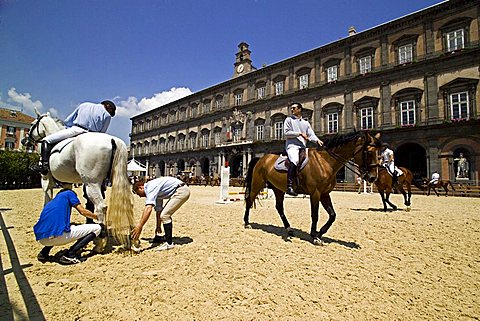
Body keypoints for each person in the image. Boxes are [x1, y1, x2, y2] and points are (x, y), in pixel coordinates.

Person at [31, 100, 117, 175]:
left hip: (77, 129)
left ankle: (44, 166)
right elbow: (102, 132)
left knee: (47, 140)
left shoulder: (84, 105)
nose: (110, 112)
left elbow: (68, 120)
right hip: (93, 135)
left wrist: (69, 127)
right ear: (108, 107)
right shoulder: (107, 115)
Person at [33, 188, 101, 265]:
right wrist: (99, 217)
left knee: (54, 227)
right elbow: (83, 212)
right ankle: (70, 255)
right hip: (57, 237)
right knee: (97, 228)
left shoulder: (51, 202)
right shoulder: (69, 193)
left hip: (42, 239)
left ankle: (44, 253)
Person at [131, 176, 190, 251]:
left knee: (165, 216)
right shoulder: (155, 190)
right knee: (164, 214)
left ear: (140, 187)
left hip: (181, 191)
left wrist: (139, 226)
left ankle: (169, 244)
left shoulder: (150, 187)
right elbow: (158, 210)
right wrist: (158, 226)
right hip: (181, 190)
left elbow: (148, 208)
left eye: (138, 193)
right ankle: (165, 239)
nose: (139, 196)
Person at [283, 102, 323, 196]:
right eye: (291, 108)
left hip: (303, 147)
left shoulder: (305, 123)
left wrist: (318, 140)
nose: (292, 109)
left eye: (294, 108)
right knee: (295, 160)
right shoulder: (288, 120)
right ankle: (289, 186)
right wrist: (299, 134)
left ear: (299, 109)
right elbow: (286, 133)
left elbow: (311, 134)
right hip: (292, 146)